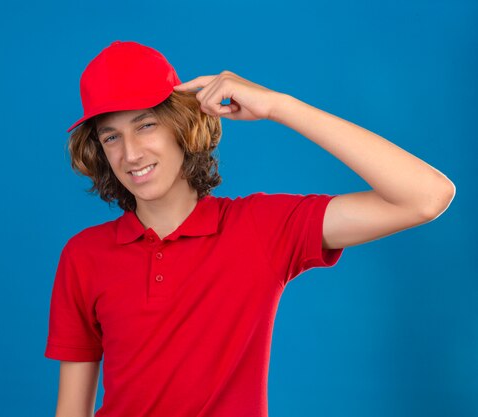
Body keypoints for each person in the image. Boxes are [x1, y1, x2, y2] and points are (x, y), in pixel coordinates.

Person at [44, 40, 455, 417]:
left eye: (146, 124)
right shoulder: (84, 255)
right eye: (111, 136)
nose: (130, 153)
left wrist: (279, 106)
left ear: (181, 125)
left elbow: (426, 196)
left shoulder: (261, 228)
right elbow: (71, 410)